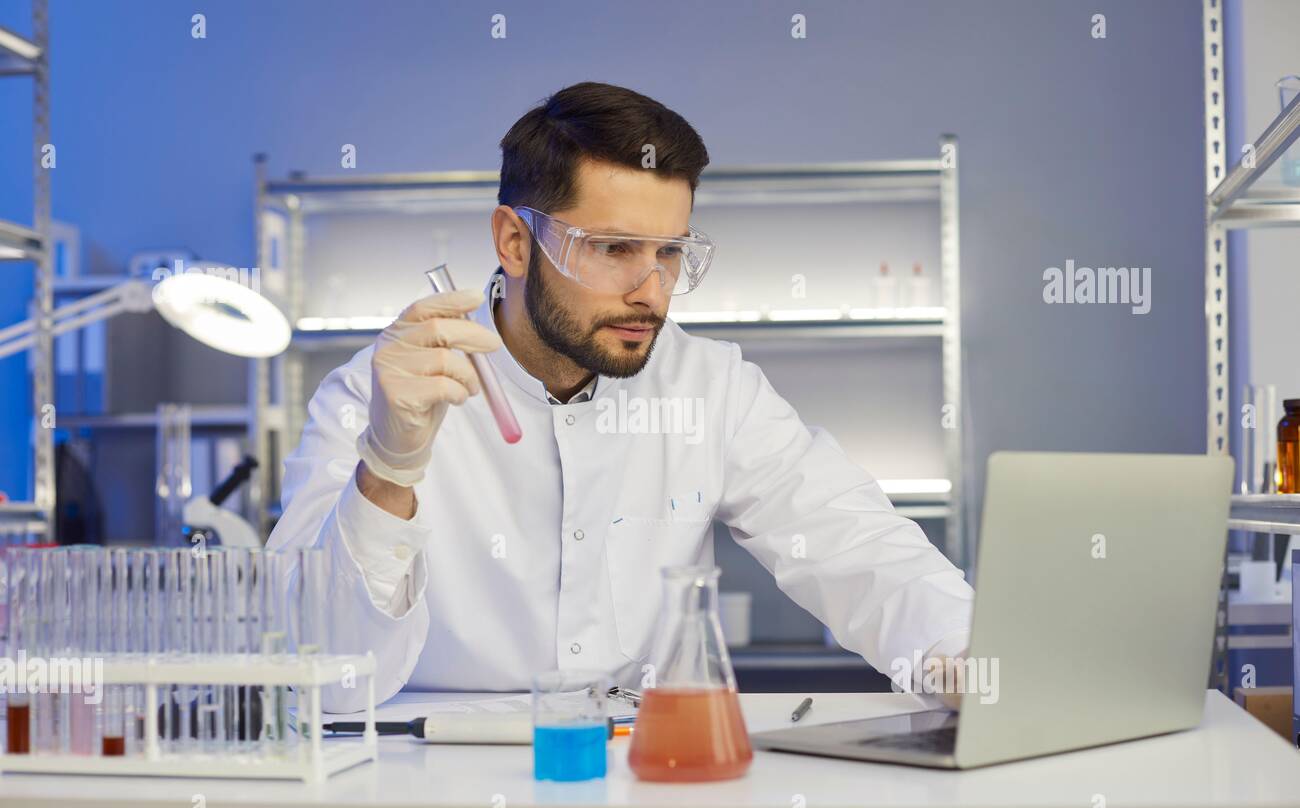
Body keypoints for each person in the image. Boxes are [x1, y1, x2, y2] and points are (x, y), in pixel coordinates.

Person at [268, 81, 972, 713]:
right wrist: (388, 470)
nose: (651, 289)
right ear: (515, 242)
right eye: (614, 249)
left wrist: (969, 660)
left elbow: (853, 544)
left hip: (639, 777)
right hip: (429, 781)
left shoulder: (709, 386)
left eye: (669, 252)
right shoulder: (378, 394)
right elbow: (324, 672)